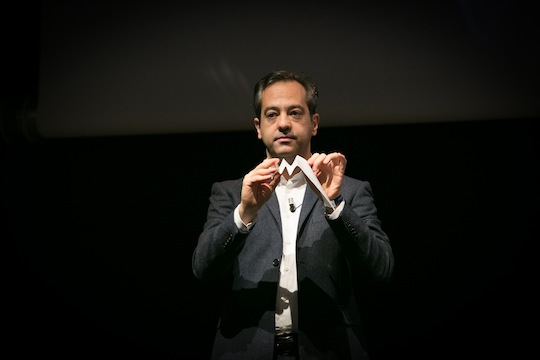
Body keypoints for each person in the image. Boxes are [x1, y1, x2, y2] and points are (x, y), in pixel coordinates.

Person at [192, 70, 394, 360]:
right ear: (258, 127)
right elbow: (204, 271)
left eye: (295, 112)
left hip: (330, 350)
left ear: (313, 124)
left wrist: (333, 202)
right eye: (272, 114)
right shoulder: (230, 193)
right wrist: (244, 213)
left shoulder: (351, 190)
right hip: (246, 350)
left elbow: (380, 270)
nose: (284, 123)